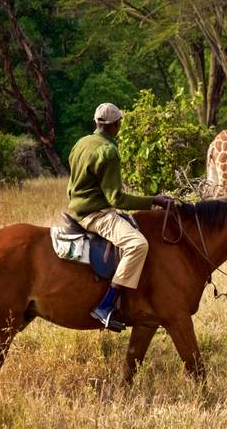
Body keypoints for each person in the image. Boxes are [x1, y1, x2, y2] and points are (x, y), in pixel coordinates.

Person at [67, 102, 173, 331]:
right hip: (96, 215)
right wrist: (154, 200)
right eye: (119, 124)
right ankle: (105, 306)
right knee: (138, 244)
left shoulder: (80, 143)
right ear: (115, 125)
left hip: (75, 209)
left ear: (97, 123)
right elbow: (116, 199)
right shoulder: (109, 151)